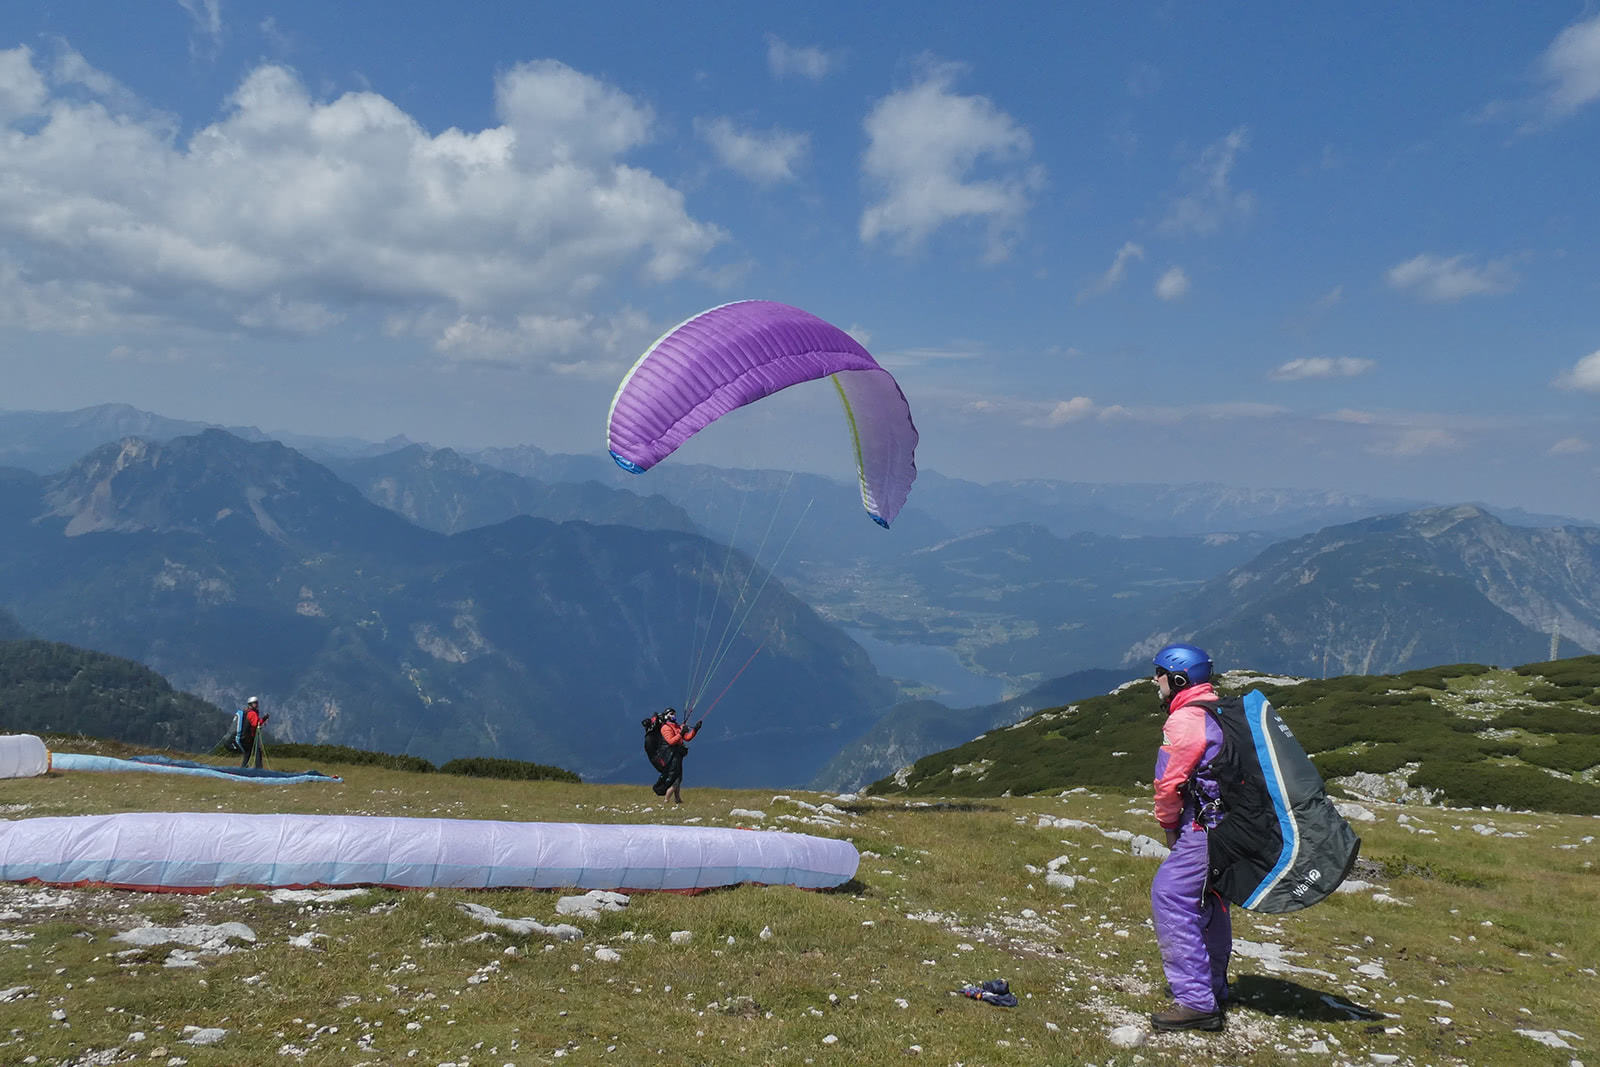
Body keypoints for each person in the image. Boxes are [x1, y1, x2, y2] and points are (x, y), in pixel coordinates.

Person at [1148, 642, 1231, 1033]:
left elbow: (1168, 785)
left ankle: (1197, 1001)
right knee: (1209, 898)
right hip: (1230, 829)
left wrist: (1168, 828)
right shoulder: (1219, 711)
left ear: (1178, 678)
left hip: (1203, 828)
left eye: (1160, 674)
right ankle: (1213, 987)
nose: (1155, 681)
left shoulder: (1184, 721)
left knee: (1170, 894)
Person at [653, 707, 701, 804]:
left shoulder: (677, 726)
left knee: (678, 777)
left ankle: (677, 799)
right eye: (671, 714)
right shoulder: (665, 728)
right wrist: (681, 733)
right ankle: (666, 800)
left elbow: (687, 738)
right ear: (666, 716)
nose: (673, 716)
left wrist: (695, 729)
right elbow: (671, 741)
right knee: (675, 777)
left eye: (674, 714)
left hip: (677, 754)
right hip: (670, 755)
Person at [238, 696, 268, 770]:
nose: (256, 704)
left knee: (248, 753)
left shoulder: (248, 712)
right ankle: (258, 768)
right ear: (251, 704)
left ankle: (244, 767)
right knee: (257, 750)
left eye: (257, 703)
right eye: (255, 703)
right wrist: (264, 719)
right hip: (249, 737)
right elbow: (255, 724)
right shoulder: (252, 713)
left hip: (246, 737)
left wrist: (262, 720)